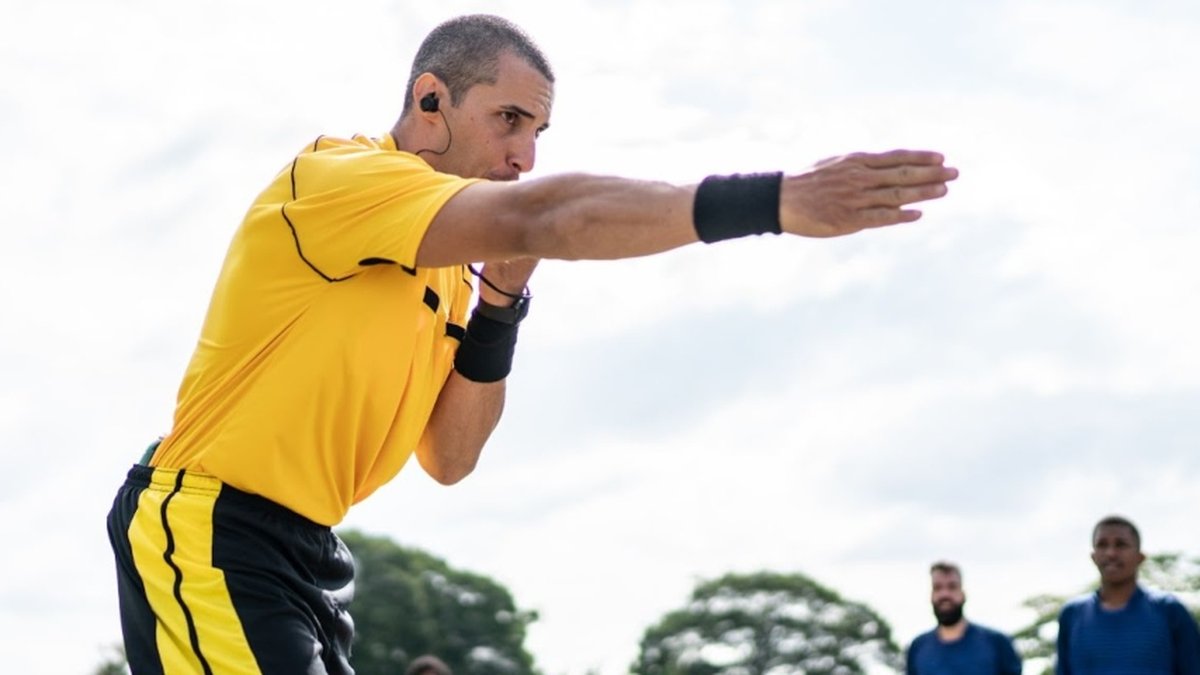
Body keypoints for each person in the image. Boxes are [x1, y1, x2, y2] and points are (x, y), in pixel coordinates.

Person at [106, 13, 959, 675]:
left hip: (310, 549)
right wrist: (777, 202)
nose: (524, 154)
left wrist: (502, 301)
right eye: (508, 120)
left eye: (539, 134)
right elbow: (545, 212)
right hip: (210, 519)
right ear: (430, 101)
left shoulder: (446, 271)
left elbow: (449, 454)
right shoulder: (339, 180)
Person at [1055, 515, 1200, 674]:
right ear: (1093, 556)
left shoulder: (1169, 610)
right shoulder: (1072, 614)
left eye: (1121, 544)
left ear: (1140, 557)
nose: (1110, 553)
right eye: (1102, 545)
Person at [906, 561, 1022, 675]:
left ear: (963, 593)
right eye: (937, 588)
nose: (945, 594)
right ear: (931, 595)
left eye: (952, 587)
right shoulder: (918, 647)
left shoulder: (997, 643)